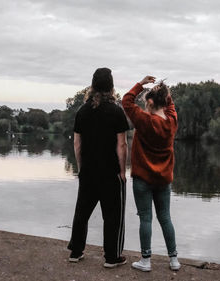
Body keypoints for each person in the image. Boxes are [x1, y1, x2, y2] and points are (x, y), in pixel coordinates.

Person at [67, 67, 129, 268]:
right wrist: (122, 170)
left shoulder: (82, 111)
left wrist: (81, 167)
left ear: (93, 85)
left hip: (88, 171)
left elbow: (77, 144)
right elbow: (122, 145)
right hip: (110, 172)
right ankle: (112, 257)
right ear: (111, 87)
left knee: (82, 212)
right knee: (112, 215)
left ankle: (76, 252)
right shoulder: (117, 111)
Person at [121, 76, 181, 272]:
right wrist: (162, 89)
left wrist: (141, 83)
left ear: (150, 102)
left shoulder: (144, 120)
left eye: (147, 101)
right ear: (164, 102)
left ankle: (146, 261)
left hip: (142, 179)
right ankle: (173, 260)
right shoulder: (171, 121)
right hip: (163, 180)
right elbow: (169, 104)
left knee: (145, 218)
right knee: (165, 218)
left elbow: (126, 101)